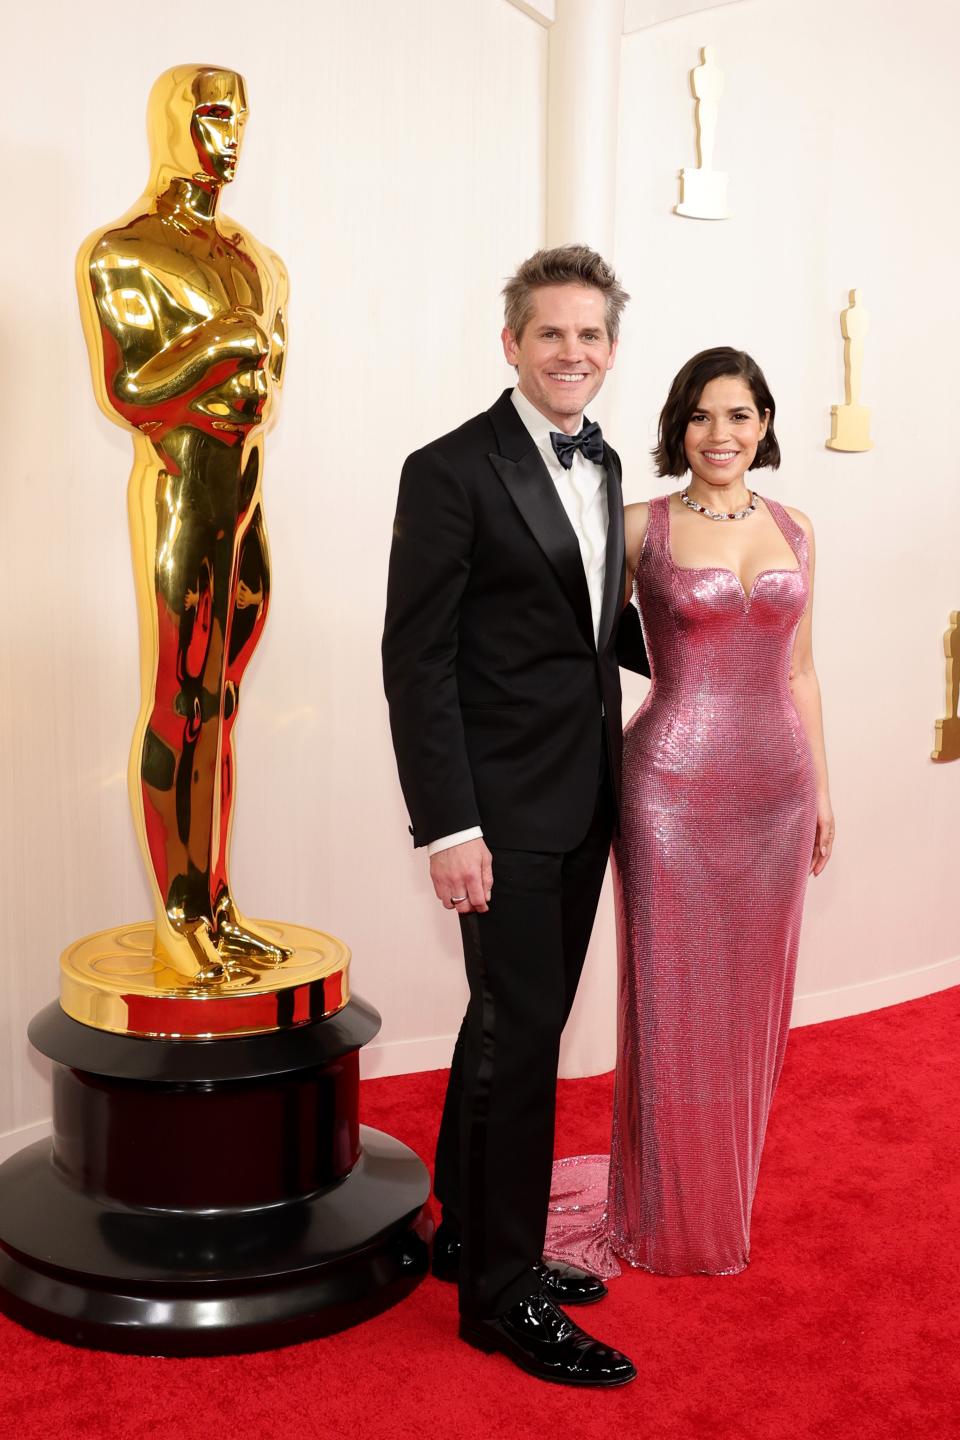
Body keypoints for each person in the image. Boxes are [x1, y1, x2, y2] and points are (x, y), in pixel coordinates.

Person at [382, 245, 648, 1386]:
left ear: (610, 348)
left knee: (503, 1023)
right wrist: (448, 828)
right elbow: (415, 659)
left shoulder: (607, 461)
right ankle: (504, 1295)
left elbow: (580, 629)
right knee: (524, 1041)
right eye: (552, 334)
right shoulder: (447, 470)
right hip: (496, 812)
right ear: (511, 343)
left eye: (591, 335)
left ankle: (463, 1237)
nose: (572, 353)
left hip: (586, 793)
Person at [545, 347, 834, 1278]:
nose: (723, 435)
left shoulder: (796, 529)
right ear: (679, 426)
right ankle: (662, 1212)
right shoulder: (639, 525)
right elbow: (576, 653)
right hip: (668, 788)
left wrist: (824, 789)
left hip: (777, 790)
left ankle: (724, 1192)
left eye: (741, 415)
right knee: (672, 1000)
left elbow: (800, 670)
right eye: (705, 417)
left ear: (764, 425)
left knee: (752, 1003)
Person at [77, 65, 289, 981]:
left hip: (244, 494)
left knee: (225, 704)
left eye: (239, 119)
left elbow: (266, 389)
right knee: (180, 702)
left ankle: (217, 900)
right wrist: (225, 342)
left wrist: (246, 359)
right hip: (179, 490)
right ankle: (177, 911)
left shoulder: (255, 257)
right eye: (210, 117)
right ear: (173, 124)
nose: (228, 137)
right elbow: (129, 391)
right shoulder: (122, 252)